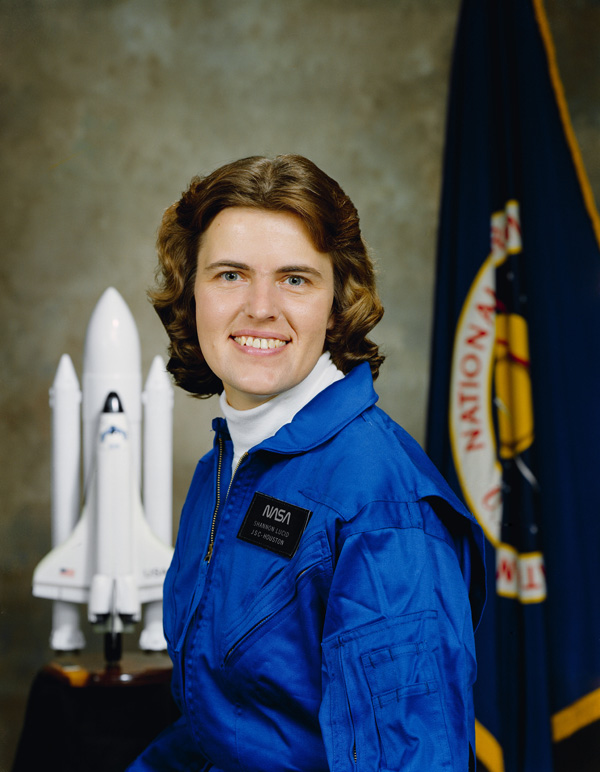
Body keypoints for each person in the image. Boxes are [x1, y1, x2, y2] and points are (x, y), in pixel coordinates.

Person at [128, 154, 485, 772]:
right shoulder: (223, 468)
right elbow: (224, 726)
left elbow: (412, 758)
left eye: (295, 279)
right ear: (191, 292)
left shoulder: (381, 506)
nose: (260, 307)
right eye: (230, 275)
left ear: (337, 302)